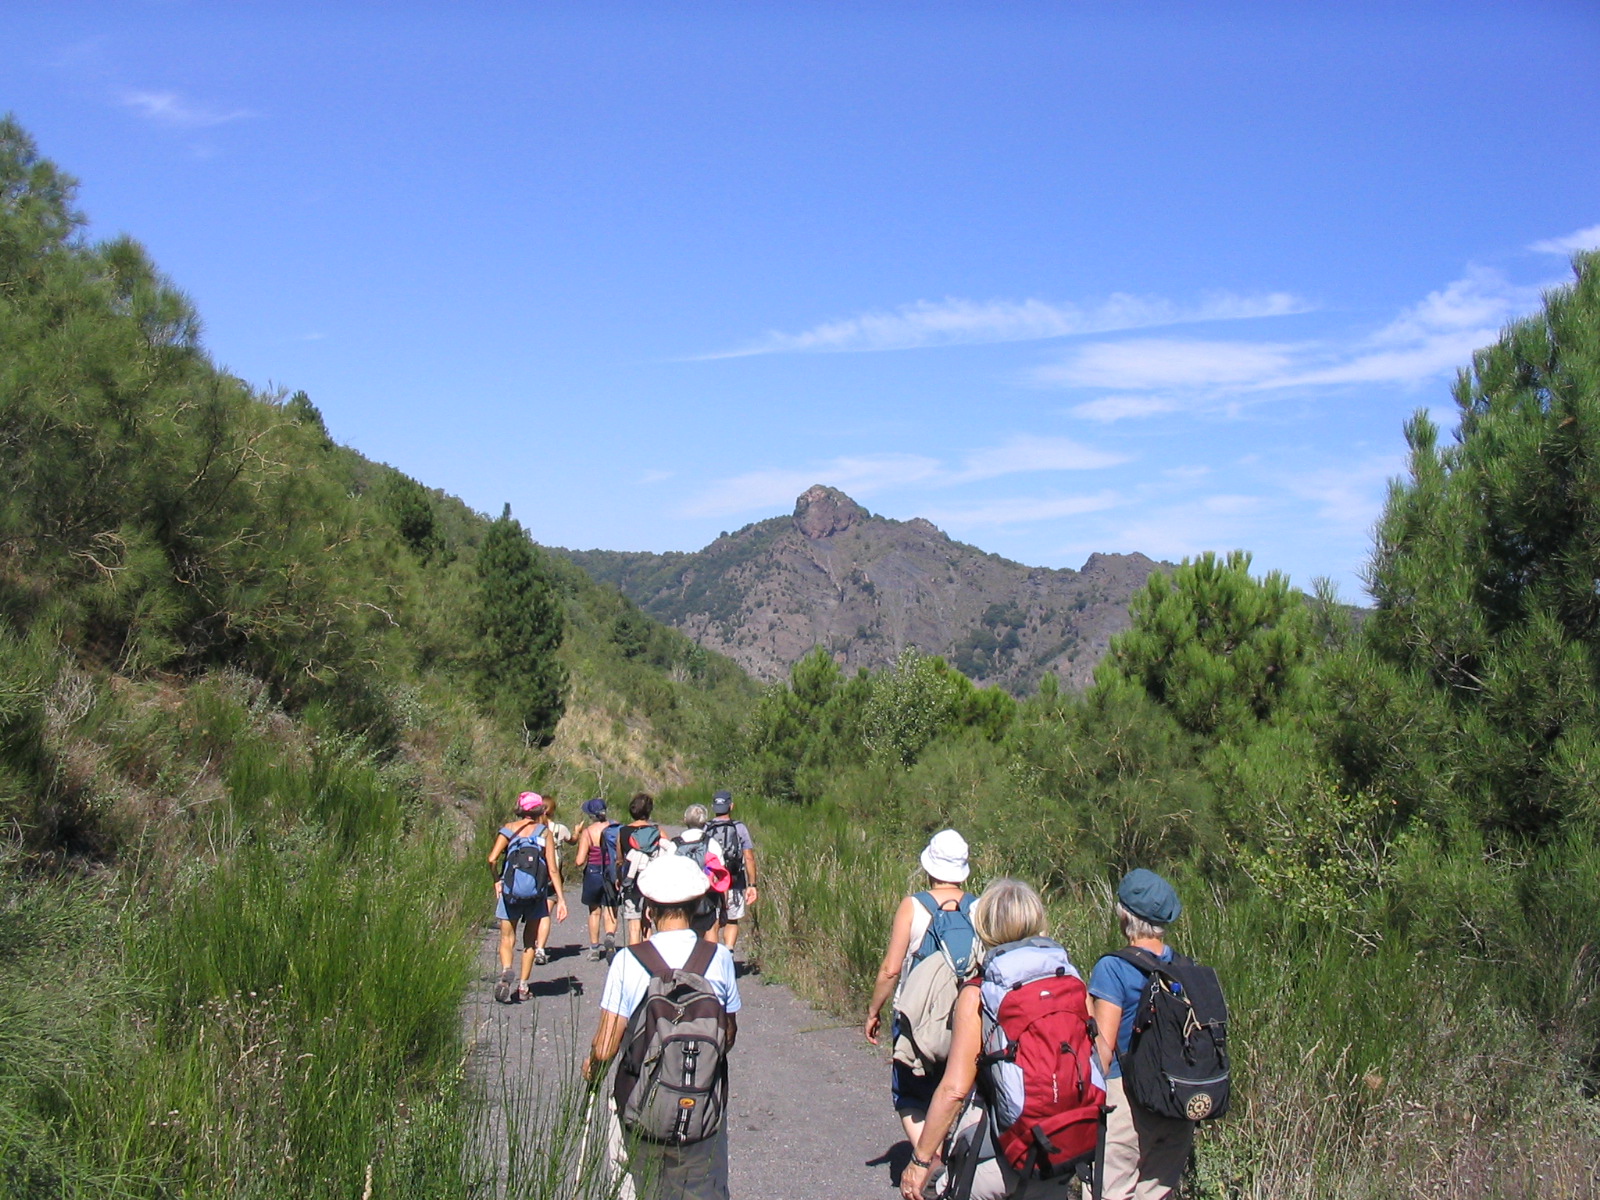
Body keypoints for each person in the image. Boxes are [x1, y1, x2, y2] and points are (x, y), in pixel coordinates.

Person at [899, 877, 1089, 1200]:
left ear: (984, 927)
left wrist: (920, 1160)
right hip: (1063, 1148)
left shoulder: (979, 993)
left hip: (999, 1153)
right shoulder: (1071, 982)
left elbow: (955, 1088)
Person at [582, 854, 742, 1200]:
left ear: (648, 908)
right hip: (700, 1110)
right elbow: (727, 1035)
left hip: (640, 1110)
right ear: (699, 905)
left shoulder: (629, 960)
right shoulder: (719, 959)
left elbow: (606, 1045)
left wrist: (592, 1070)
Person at [863, 829, 975, 1147]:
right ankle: (954, 1164)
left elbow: (891, 969)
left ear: (929, 867)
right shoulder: (980, 908)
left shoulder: (913, 906)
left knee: (909, 1096)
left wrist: (874, 1011)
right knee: (955, 1091)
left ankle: (932, 1163)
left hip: (916, 1018)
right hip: (968, 1017)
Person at [1089, 869, 1193, 1200]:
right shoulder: (1184, 967)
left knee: (1111, 1191)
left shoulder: (1113, 968)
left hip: (1126, 1097)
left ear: (1124, 916)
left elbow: (1103, 1051)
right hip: (1178, 1099)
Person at [486, 791, 569, 1001]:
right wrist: (561, 899)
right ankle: (523, 987)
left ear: (520, 809)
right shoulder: (544, 833)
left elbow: (492, 859)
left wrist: (497, 880)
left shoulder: (508, 829)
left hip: (510, 892)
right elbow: (552, 869)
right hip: (536, 894)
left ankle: (506, 969)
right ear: (540, 810)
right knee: (530, 941)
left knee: (507, 937)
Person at [703, 791, 758, 951]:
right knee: (732, 920)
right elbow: (749, 857)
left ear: (714, 807)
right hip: (735, 880)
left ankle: (711, 957)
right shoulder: (739, 828)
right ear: (731, 806)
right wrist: (752, 884)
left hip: (712, 881)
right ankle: (728, 952)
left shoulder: (706, 827)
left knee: (712, 920)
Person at [671, 804, 731, 939]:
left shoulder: (674, 845)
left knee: (684, 933)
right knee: (710, 931)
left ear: (685, 820)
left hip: (681, 899)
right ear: (704, 821)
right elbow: (721, 876)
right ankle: (710, 959)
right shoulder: (711, 844)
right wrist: (724, 905)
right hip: (707, 898)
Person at [574, 797, 621, 961]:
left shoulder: (588, 832)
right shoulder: (616, 827)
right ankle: (610, 939)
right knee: (611, 910)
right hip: (612, 872)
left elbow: (579, 861)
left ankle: (594, 948)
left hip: (593, 873)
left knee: (594, 912)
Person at [618, 792, 666, 947]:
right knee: (648, 922)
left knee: (634, 924)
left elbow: (619, 859)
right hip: (652, 881)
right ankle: (650, 959)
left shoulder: (623, 832)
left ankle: (634, 960)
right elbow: (669, 853)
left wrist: (619, 879)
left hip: (632, 880)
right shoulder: (657, 831)